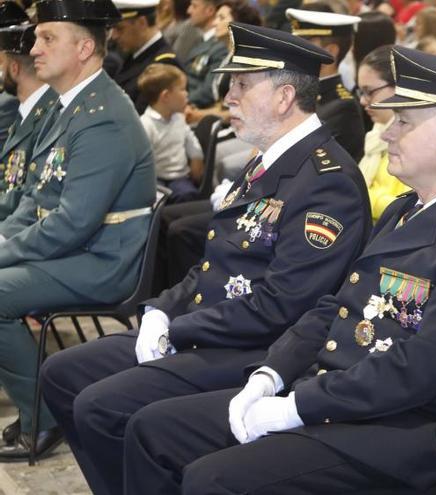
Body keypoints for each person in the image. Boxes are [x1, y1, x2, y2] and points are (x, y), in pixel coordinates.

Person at [122, 45, 436, 494]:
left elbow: (417, 370)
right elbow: (336, 307)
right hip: (336, 396)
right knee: (154, 429)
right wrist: (272, 374)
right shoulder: (407, 208)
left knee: (213, 480)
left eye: (404, 122)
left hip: (398, 433)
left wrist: (296, 405)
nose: (388, 132)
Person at [40, 22, 372, 495]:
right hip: (213, 329)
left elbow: (284, 305)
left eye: (240, 84)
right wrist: (161, 309)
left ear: (283, 98)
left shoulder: (326, 180)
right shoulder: (264, 162)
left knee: (102, 406)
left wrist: (178, 330)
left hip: (254, 349)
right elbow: (212, 265)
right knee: (62, 373)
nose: (228, 96)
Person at [0, 0, 156, 461]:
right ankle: (40, 408)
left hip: (102, 259)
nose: (34, 47)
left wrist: (3, 252)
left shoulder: (101, 115)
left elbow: (71, 223)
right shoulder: (70, 105)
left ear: (86, 47)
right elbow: (34, 200)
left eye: (48, 38)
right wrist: (4, 240)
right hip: (80, 248)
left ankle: (44, 418)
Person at [0, 3, 57, 223]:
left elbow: (31, 194)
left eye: (2, 64)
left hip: (24, 226)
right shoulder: (30, 109)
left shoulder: (49, 115)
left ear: (14, 68)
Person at [287, 4, 366, 162]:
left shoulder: (342, 106)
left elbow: (297, 157)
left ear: (329, 52)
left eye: (303, 45)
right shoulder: (303, 90)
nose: (294, 51)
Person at [356, 45, 409, 222]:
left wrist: (363, 196)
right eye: (360, 92)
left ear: (399, 88)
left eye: (369, 92)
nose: (363, 101)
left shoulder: (414, 142)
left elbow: (407, 209)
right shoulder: (376, 133)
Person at [137, 63, 204, 203]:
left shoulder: (178, 117)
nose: (187, 94)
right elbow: (140, 161)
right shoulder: (145, 124)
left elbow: (190, 140)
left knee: (188, 195)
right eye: (182, 89)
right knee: (153, 201)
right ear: (166, 96)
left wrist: (197, 157)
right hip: (155, 180)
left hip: (180, 177)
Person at [109, 0, 180, 113]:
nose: (114, 36)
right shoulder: (133, 55)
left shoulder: (164, 62)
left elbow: (139, 115)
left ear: (142, 23)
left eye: (120, 28)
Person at [182, 0, 226, 108]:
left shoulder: (221, 46)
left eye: (194, 6)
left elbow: (209, 90)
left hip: (197, 108)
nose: (189, 11)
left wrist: (179, 101)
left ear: (210, 10)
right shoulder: (200, 40)